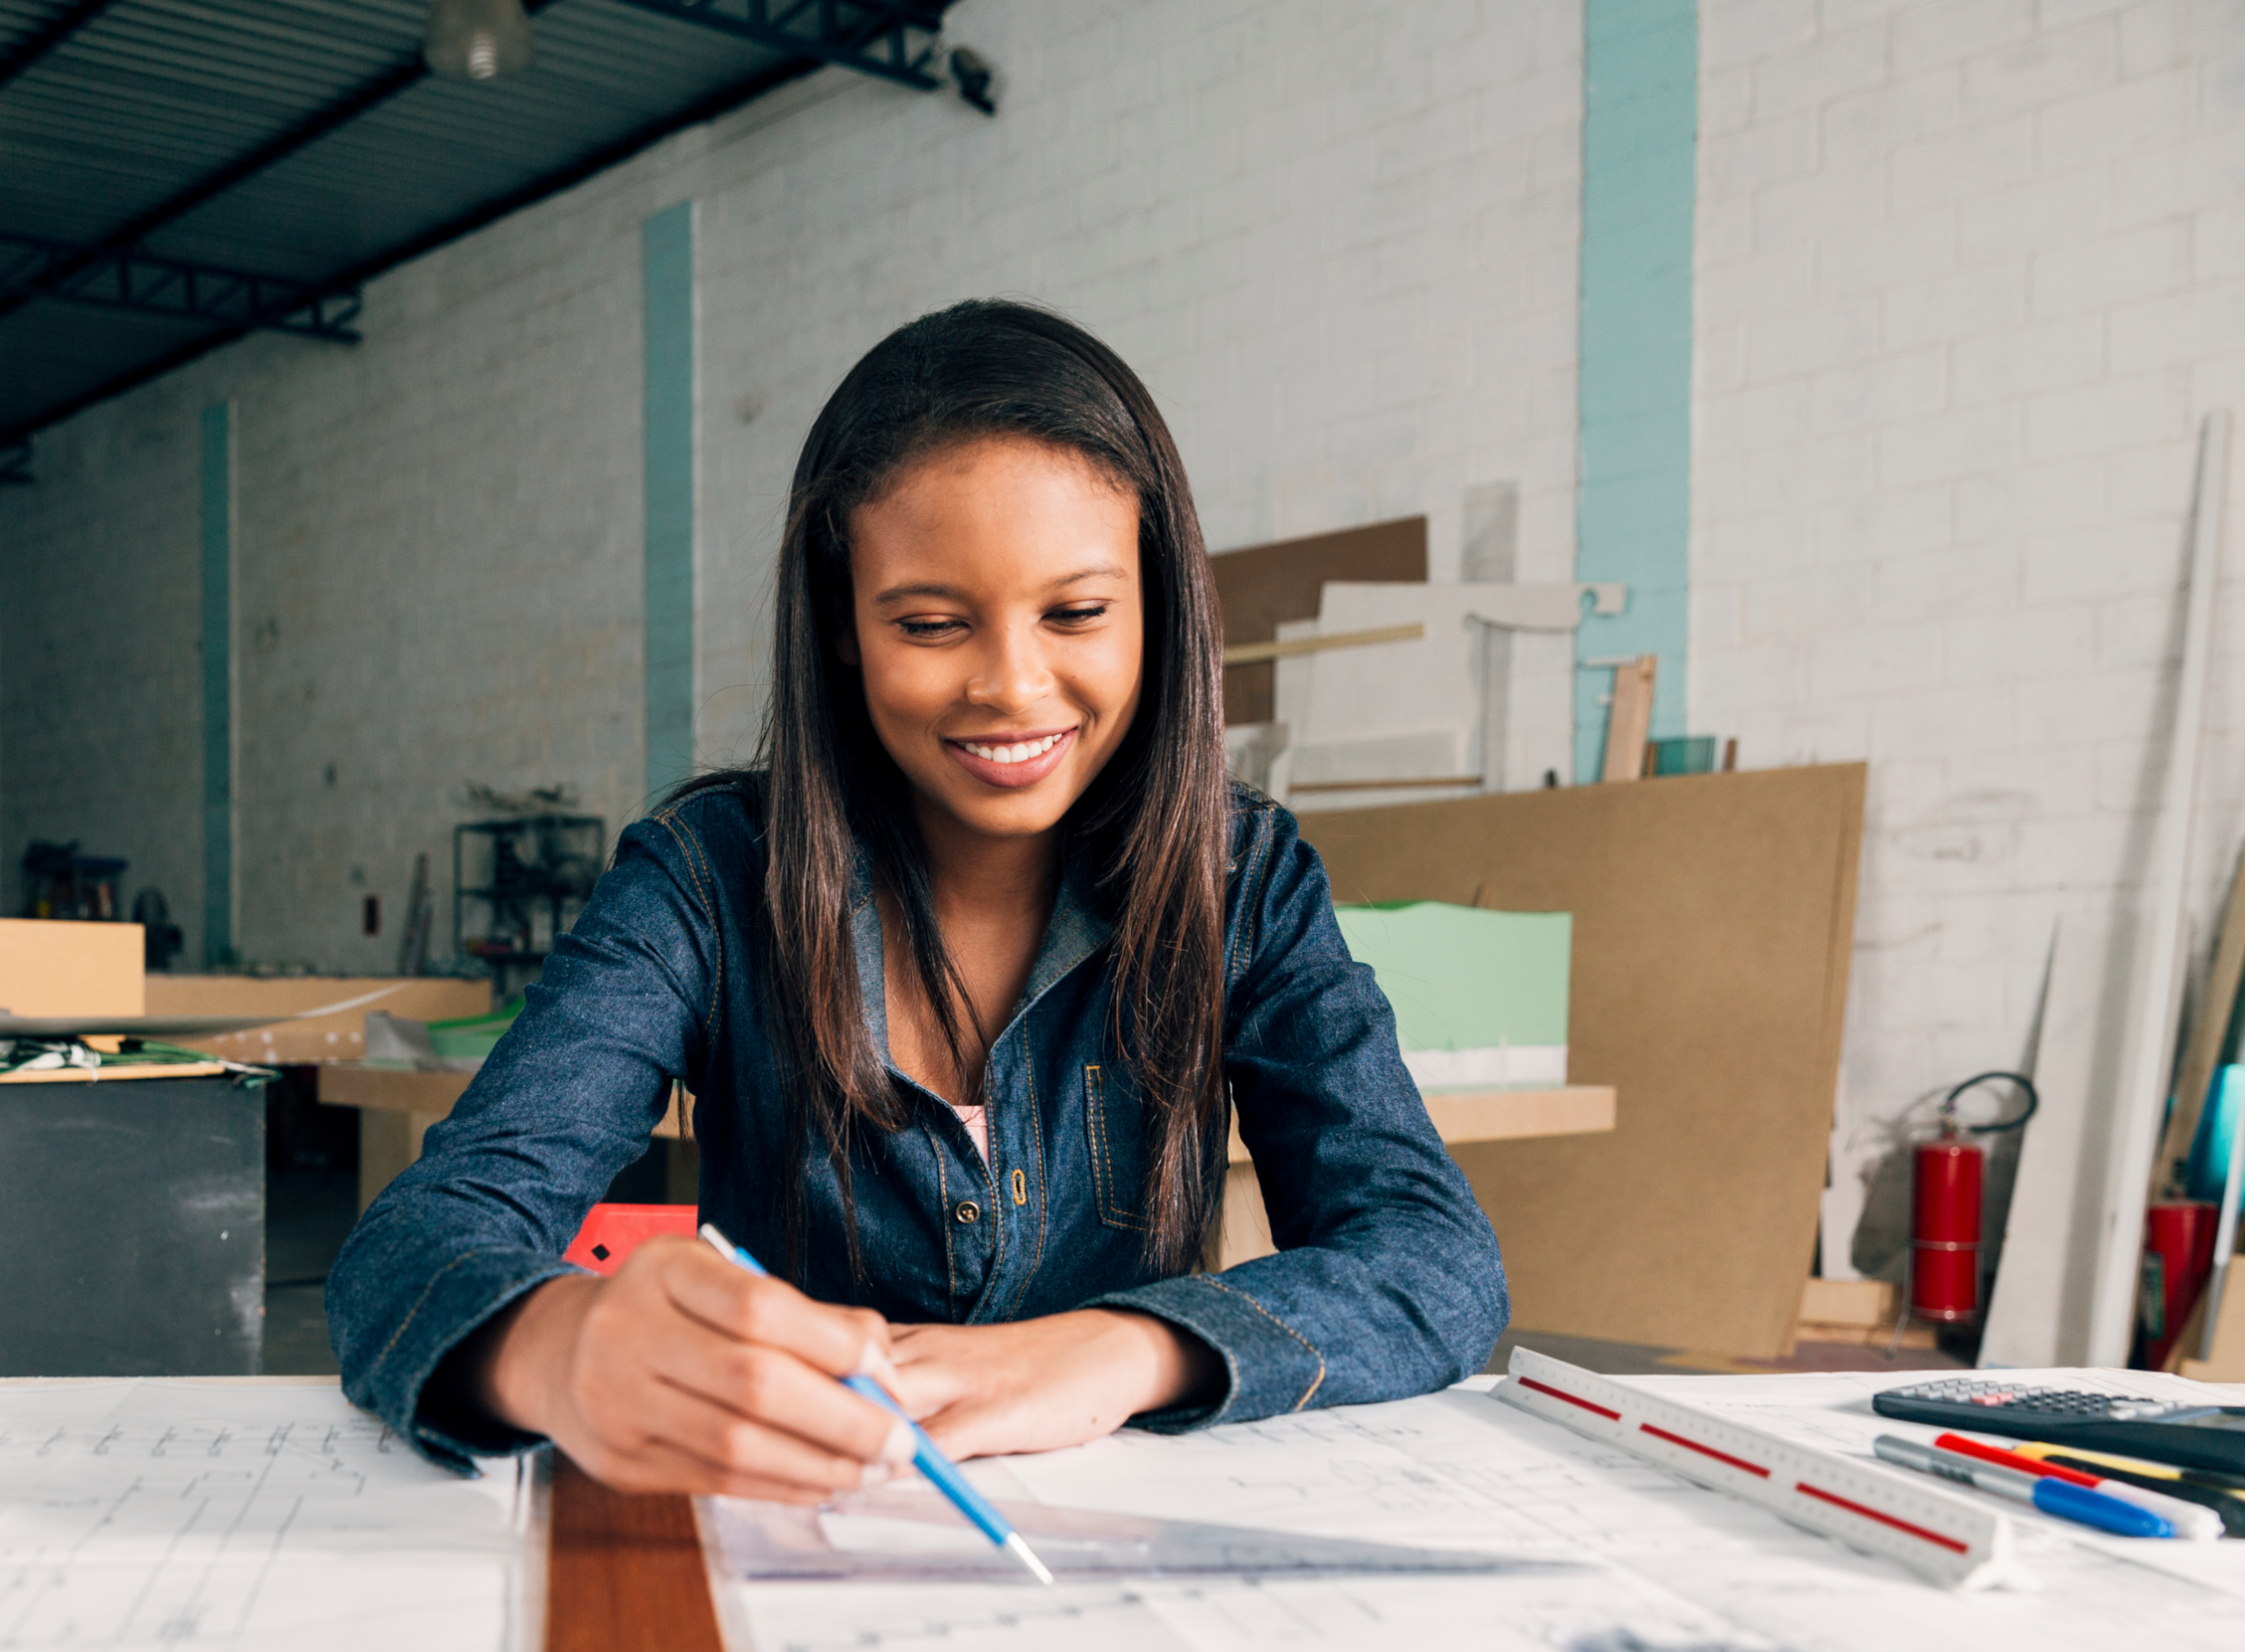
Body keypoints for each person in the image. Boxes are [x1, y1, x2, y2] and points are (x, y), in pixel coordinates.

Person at [330, 299, 1506, 1496]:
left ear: (1155, 603)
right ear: (843, 621)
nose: (1011, 683)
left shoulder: (1238, 879)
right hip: (798, 1544)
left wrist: (1122, 1351)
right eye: (932, 623)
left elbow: (1435, 1259)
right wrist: (557, 1348)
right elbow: (415, 1245)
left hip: (1115, 1564)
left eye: (1078, 612)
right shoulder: (709, 879)